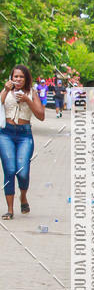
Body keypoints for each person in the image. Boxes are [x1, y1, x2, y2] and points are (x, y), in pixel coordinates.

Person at [0, 65, 45, 219]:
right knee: (10, 170)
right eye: (15, 76)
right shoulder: (6, 91)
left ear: (26, 79)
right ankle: (10, 210)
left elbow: (41, 115)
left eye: (21, 77)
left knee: (23, 172)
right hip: (6, 134)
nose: (18, 79)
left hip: (24, 135)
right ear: (11, 78)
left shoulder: (32, 93)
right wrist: (5, 90)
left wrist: (27, 100)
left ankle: (23, 196)